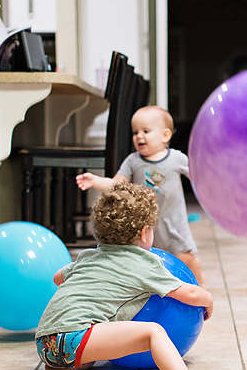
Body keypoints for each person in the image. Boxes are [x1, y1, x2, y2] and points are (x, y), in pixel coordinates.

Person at [35, 181, 225, 370]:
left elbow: (58, 278)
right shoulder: (144, 262)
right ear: (145, 233)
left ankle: (58, 368)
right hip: (73, 338)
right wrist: (209, 300)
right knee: (153, 332)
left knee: (91, 356)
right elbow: (190, 294)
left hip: (45, 343)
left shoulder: (88, 256)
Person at [76, 105, 205, 286]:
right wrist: (95, 181)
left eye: (146, 131)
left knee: (186, 257)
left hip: (173, 223)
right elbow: (116, 184)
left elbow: (199, 177)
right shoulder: (133, 161)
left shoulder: (176, 159)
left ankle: (200, 289)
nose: (139, 136)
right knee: (147, 261)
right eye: (135, 132)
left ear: (165, 136)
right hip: (143, 224)